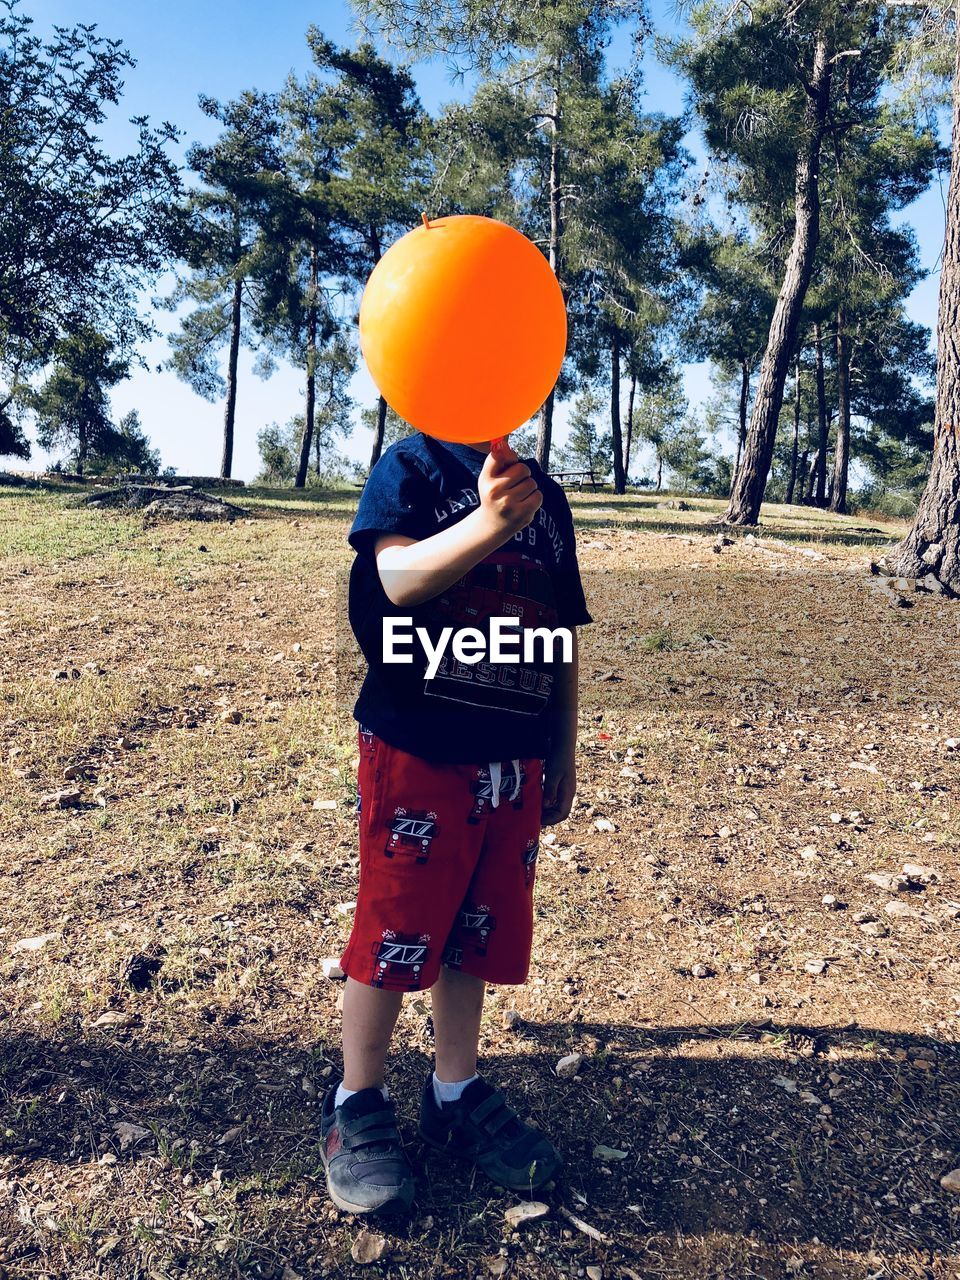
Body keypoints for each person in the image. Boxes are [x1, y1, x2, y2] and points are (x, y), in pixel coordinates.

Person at [321, 432, 591, 1215]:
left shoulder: (542, 491)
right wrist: (488, 524)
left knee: (476, 929)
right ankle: (357, 1102)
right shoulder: (411, 468)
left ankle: (453, 1090)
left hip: (513, 756)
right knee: (397, 928)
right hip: (420, 748)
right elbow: (395, 578)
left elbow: (558, 630)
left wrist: (562, 743)